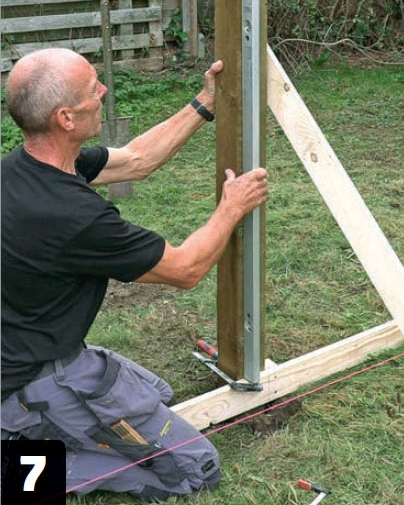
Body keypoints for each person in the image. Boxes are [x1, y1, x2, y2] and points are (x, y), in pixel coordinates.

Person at [1, 47, 268, 501]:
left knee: (157, 392)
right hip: (38, 378)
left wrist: (203, 103)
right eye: (93, 90)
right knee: (196, 470)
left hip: (23, 354)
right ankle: (16, 470)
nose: (104, 90)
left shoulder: (24, 169)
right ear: (65, 118)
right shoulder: (74, 217)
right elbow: (185, 269)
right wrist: (232, 207)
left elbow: (138, 160)